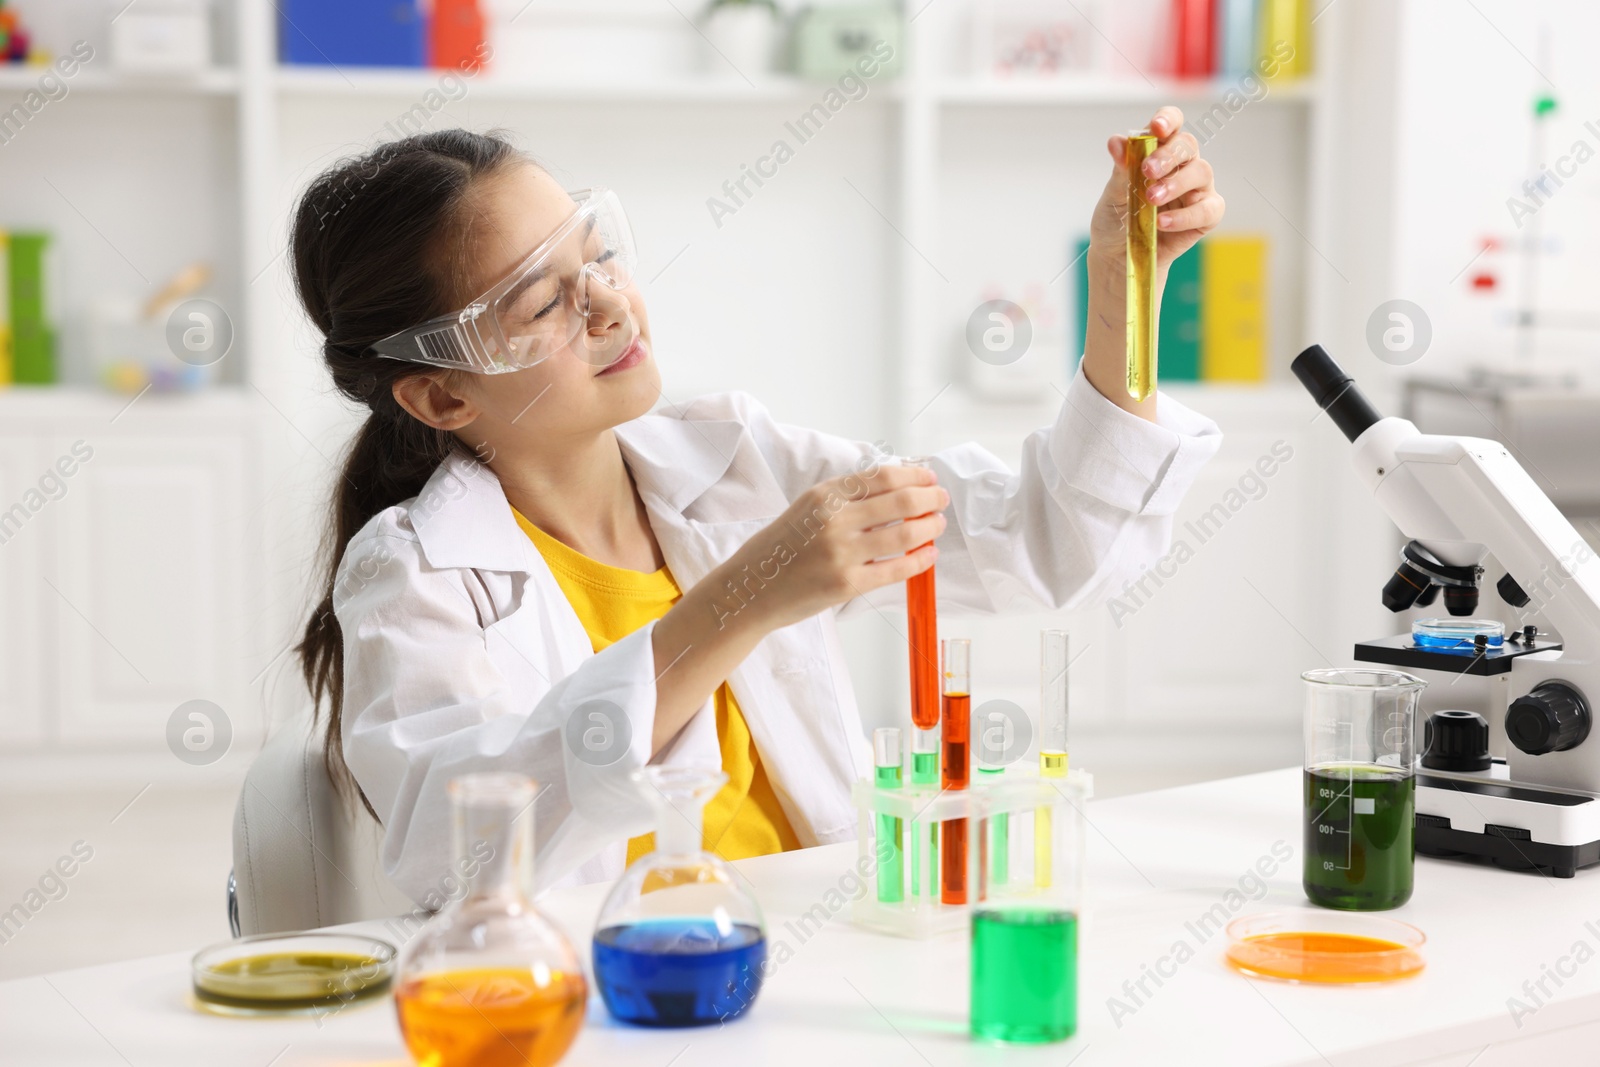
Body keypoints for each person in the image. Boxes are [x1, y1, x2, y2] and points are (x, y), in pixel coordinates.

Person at [291, 108, 1224, 904]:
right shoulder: (413, 573)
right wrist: (746, 596)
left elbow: (1051, 536)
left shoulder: (739, 460)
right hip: (630, 992)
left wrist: (1125, 286)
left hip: (826, 943)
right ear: (444, 397)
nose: (611, 306)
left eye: (600, 256)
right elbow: (459, 859)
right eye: (544, 304)